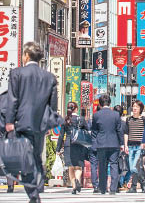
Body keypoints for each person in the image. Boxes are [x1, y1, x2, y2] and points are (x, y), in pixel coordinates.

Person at [5, 42, 58, 203]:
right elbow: (52, 104)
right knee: (36, 155)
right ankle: (38, 185)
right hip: (40, 123)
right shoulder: (49, 77)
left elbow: (12, 100)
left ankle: (34, 193)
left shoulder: (17, 73)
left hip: (22, 122)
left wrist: (9, 121)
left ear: (27, 55)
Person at [92, 94, 124, 195]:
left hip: (101, 143)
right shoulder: (116, 115)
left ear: (100, 104)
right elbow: (119, 130)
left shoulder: (96, 115)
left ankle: (102, 188)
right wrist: (122, 143)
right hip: (114, 143)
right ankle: (113, 189)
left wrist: (94, 144)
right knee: (114, 165)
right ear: (110, 103)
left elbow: (94, 131)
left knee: (102, 166)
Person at [56, 102, 88, 195]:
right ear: (76, 109)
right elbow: (87, 130)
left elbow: (61, 136)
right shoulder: (81, 119)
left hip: (68, 145)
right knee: (78, 166)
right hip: (79, 144)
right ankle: (78, 180)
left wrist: (58, 149)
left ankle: (74, 187)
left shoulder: (65, 120)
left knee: (70, 167)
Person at [124, 100, 145, 193]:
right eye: (133, 106)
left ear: (140, 109)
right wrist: (125, 145)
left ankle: (135, 186)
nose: (134, 108)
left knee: (137, 166)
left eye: (137, 107)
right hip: (130, 145)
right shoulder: (128, 119)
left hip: (140, 146)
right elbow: (126, 133)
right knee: (133, 167)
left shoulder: (144, 119)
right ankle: (143, 183)